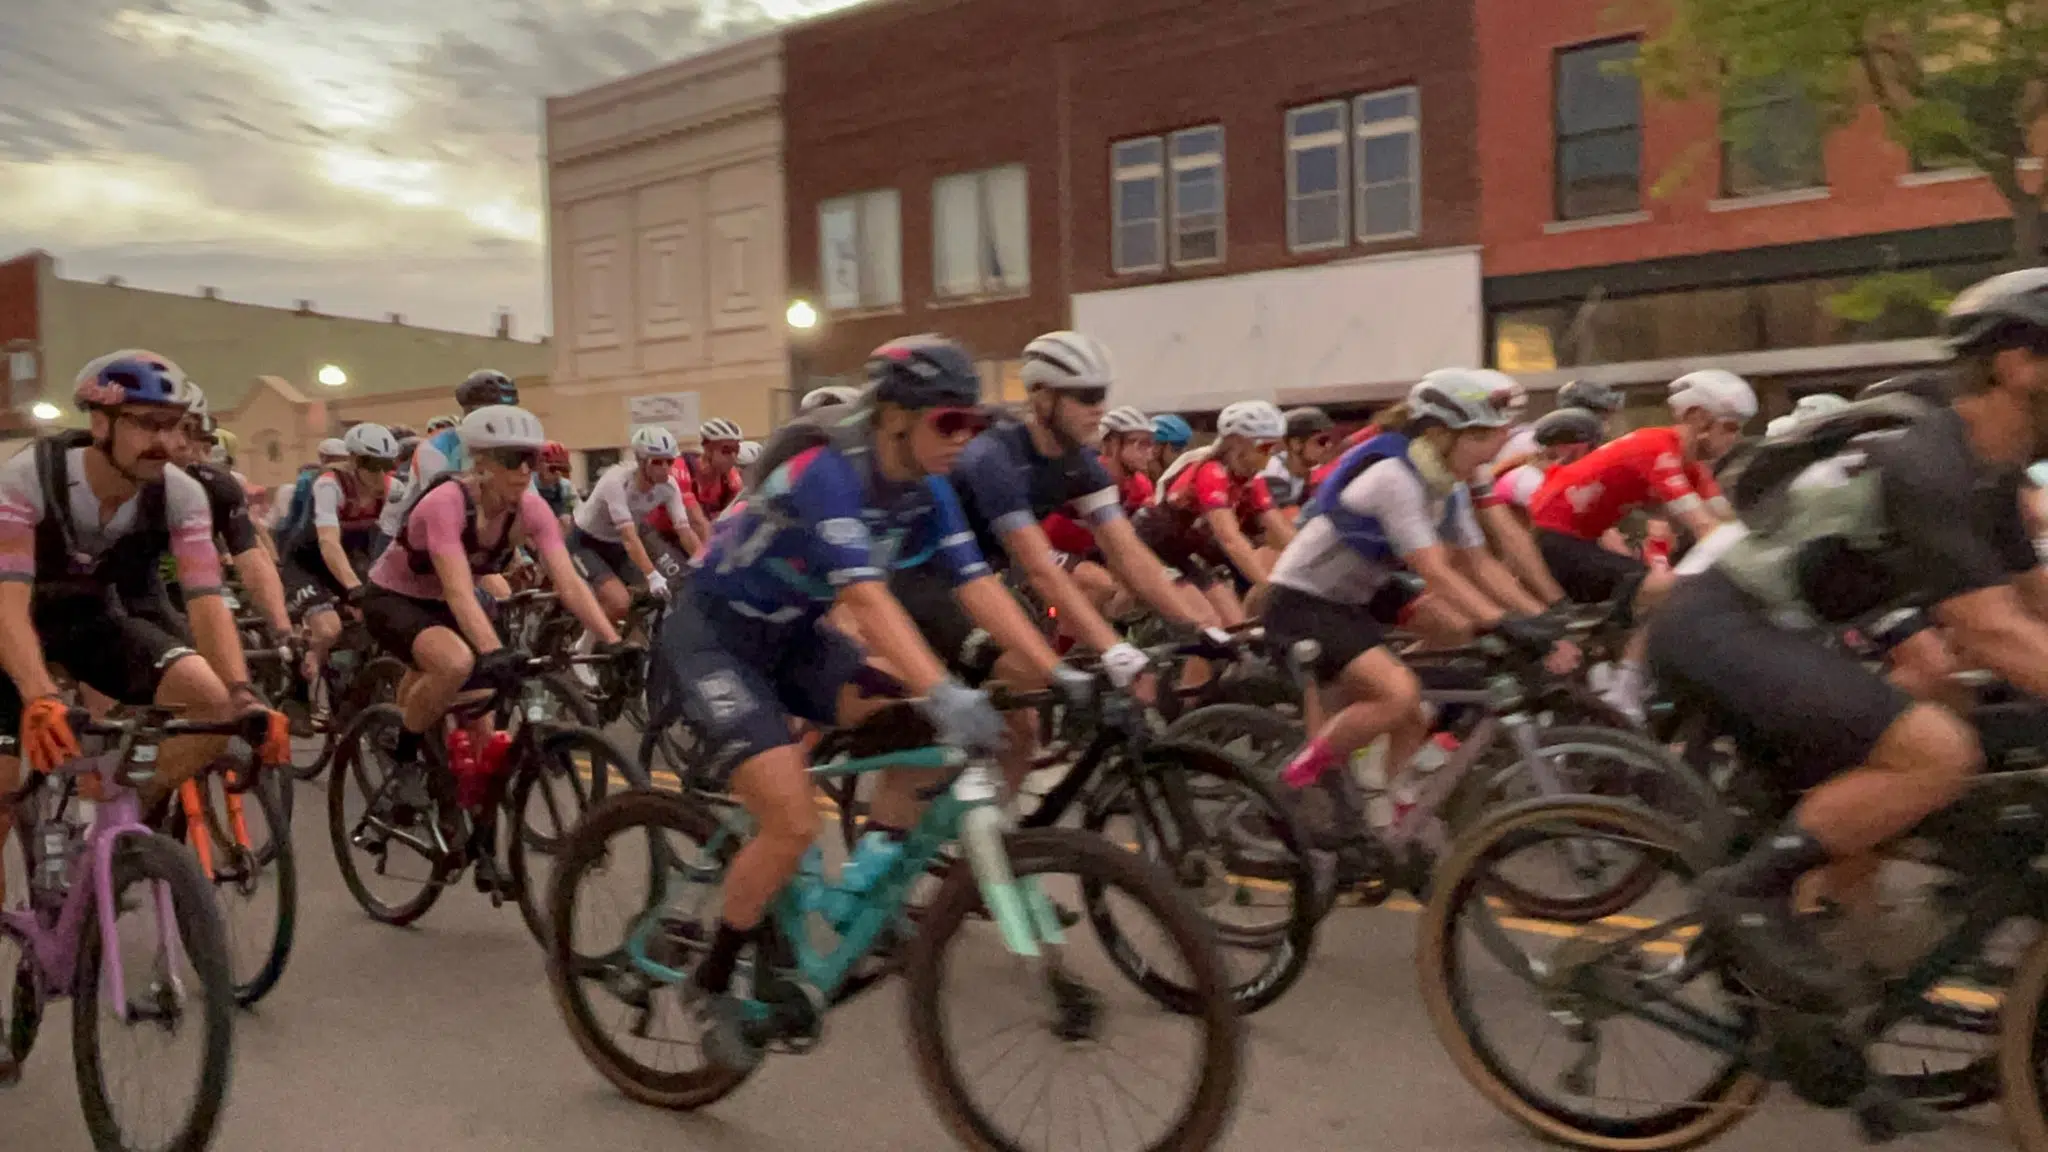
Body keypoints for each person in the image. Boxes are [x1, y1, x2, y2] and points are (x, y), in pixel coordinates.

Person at [649, 334, 1081, 1069]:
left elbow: (978, 587)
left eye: (973, 424)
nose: (963, 440)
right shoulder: (829, 472)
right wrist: (945, 689)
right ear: (894, 418)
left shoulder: (931, 486)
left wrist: (1063, 674)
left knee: (910, 721)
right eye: (950, 422)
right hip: (716, 638)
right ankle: (712, 975)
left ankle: (867, 878)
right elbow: (867, 598)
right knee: (788, 821)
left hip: (795, 638)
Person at [1655, 268, 2048, 1022]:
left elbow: (2033, 604)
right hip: (1722, 626)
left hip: (1786, 633)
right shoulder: (1929, 464)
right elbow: (1990, 629)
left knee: (1973, 732)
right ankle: (1748, 894)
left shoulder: (1988, 472)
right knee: (1937, 751)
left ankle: (1841, 990)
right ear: (2018, 364)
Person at [0, 351, 287, 933]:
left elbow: (207, 600)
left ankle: (106, 812)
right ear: (100, 423)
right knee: (1, 789)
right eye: (147, 424)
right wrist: (36, 694)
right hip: (12, 622)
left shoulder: (181, 493)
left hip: (89, 621)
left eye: (174, 425)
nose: (164, 440)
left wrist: (242, 694)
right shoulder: (28, 477)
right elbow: (9, 600)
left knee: (212, 708)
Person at [1267, 370, 1559, 791]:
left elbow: (1479, 564)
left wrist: (1541, 616)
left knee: (1455, 632)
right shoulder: (1394, 477)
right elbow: (1435, 570)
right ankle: (1296, 785)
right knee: (1400, 695)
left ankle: (1388, 799)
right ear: (1440, 434)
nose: (1494, 450)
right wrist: (1499, 621)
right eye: (1482, 438)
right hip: (1305, 597)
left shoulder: (1448, 484)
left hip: (1364, 591)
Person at [359, 406, 620, 776]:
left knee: (483, 714)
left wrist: (612, 641)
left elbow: (570, 583)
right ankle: (403, 754)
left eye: (532, 459)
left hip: (445, 602)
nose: (526, 470)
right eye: (514, 460)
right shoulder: (446, 503)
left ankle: (470, 811)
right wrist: (493, 651)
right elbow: (459, 591)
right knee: (455, 663)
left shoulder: (532, 508)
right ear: (481, 462)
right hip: (394, 598)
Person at [1526, 368, 1756, 720]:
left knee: (1671, 583)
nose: (1735, 439)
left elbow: (1728, 523)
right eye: (1730, 426)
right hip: (1555, 541)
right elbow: (1705, 526)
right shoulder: (1655, 447)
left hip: (1580, 541)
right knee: (1667, 588)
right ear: (1697, 417)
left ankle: (1613, 672)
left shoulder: (1692, 466)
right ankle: (1625, 690)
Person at [1136, 399, 1298, 624]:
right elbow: (1229, 538)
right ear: (1236, 444)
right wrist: (1270, 588)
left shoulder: (1250, 480)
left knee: (1235, 625)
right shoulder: (1212, 472)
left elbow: (1280, 529)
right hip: (1152, 544)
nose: (1270, 455)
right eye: (1265, 447)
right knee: (1210, 624)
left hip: (1184, 551)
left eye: (1275, 447)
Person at [277, 422, 400, 696]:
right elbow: (329, 542)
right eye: (371, 465)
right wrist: (354, 588)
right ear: (354, 461)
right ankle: (299, 682)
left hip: (352, 560)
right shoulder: (330, 485)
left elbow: (396, 542)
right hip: (308, 564)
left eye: (387, 464)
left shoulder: (395, 490)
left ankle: (351, 687)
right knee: (329, 630)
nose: (380, 474)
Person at [374, 369, 520, 557]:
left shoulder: (511, 451)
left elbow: (522, 504)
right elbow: (446, 514)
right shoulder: (435, 449)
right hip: (404, 537)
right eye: (495, 415)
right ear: (469, 413)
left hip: (468, 534)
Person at [568, 426, 704, 622]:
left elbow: (685, 531)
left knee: (661, 593)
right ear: (641, 462)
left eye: (670, 461)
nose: (665, 468)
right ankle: (584, 646)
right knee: (619, 602)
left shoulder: (669, 486)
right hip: (586, 542)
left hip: (617, 545)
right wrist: (652, 575)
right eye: (657, 462)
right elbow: (630, 537)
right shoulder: (616, 482)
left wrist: (704, 563)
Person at [1264, 407, 1337, 508]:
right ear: (1296, 444)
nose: (1329, 445)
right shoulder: (1275, 477)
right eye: (1322, 441)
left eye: (1329, 439)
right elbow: (1288, 519)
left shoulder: (1307, 470)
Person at [684, 417, 747, 525]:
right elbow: (696, 522)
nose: (733, 456)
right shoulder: (684, 469)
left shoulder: (731, 478)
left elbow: (735, 520)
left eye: (736, 450)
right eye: (726, 450)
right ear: (708, 449)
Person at [536, 440, 578, 530]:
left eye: (562, 469)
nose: (558, 473)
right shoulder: (528, 486)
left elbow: (578, 511)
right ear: (539, 466)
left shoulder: (566, 486)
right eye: (553, 469)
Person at [1151, 413, 1194, 478]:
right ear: (1156, 447)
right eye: (1178, 447)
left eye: (1186, 446)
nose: (1184, 453)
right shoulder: (1139, 483)